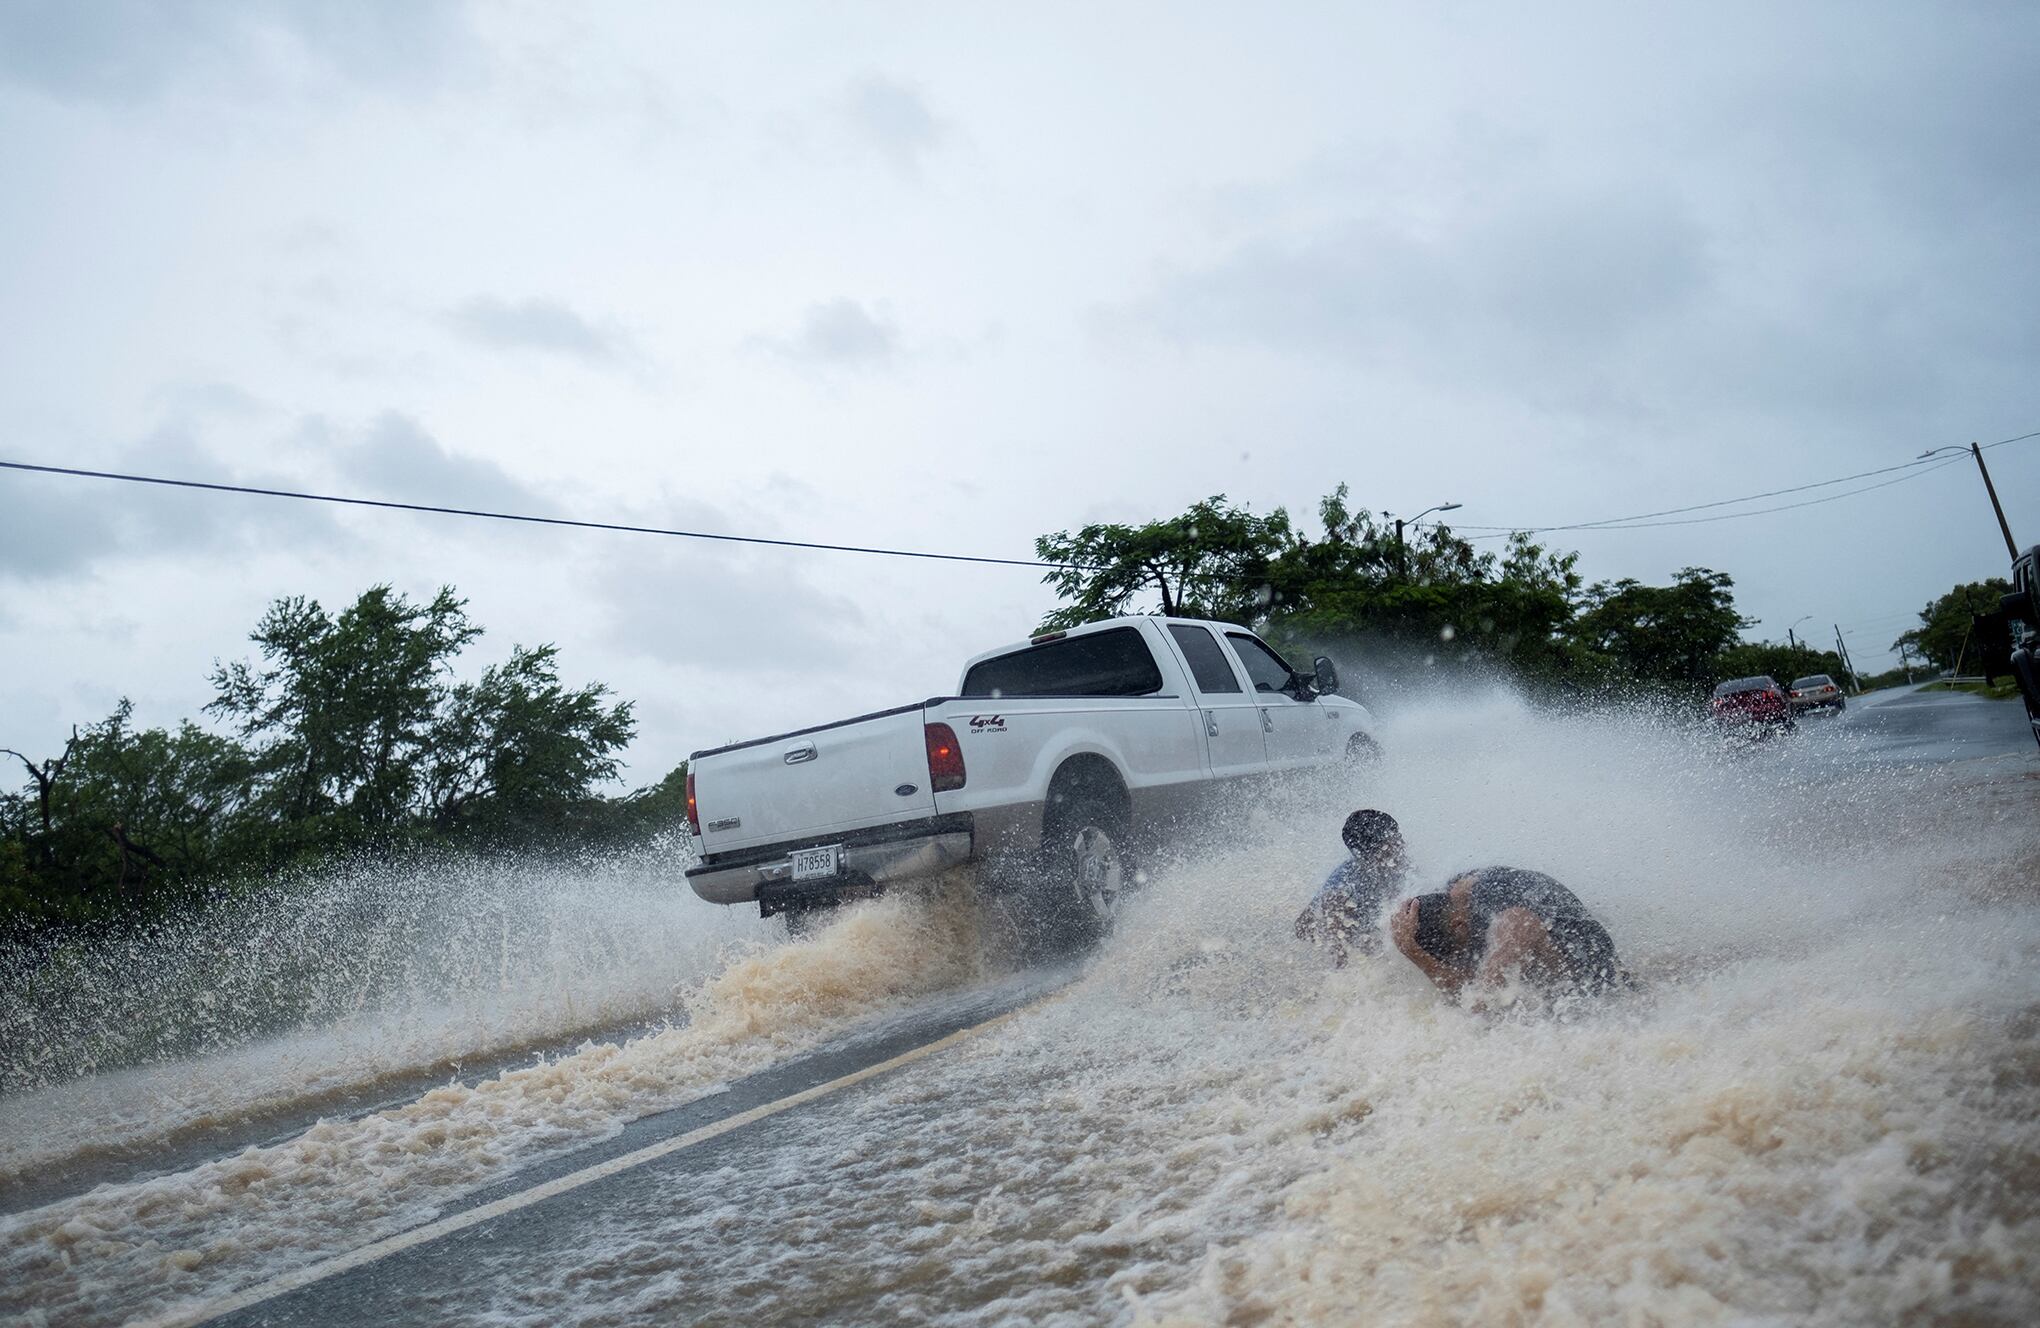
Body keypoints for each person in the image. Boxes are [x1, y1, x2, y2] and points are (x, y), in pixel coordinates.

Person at [1389, 865, 1628, 1004]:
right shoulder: (1460, 891)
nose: (1457, 963)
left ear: (1458, 926)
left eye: (1455, 954)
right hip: (1581, 944)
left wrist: (1413, 952)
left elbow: (1481, 1004)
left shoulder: (1511, 922)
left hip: (1601, 992)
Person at [1294, 809, 1409, 964]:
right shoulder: (1344, 887)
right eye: (1392, 843)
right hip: (1338, 924)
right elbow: (1307, 927)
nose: (1401, 846)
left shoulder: (1397, 865)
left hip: (1367, 923)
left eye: (1398, 837)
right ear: (1370, 855)